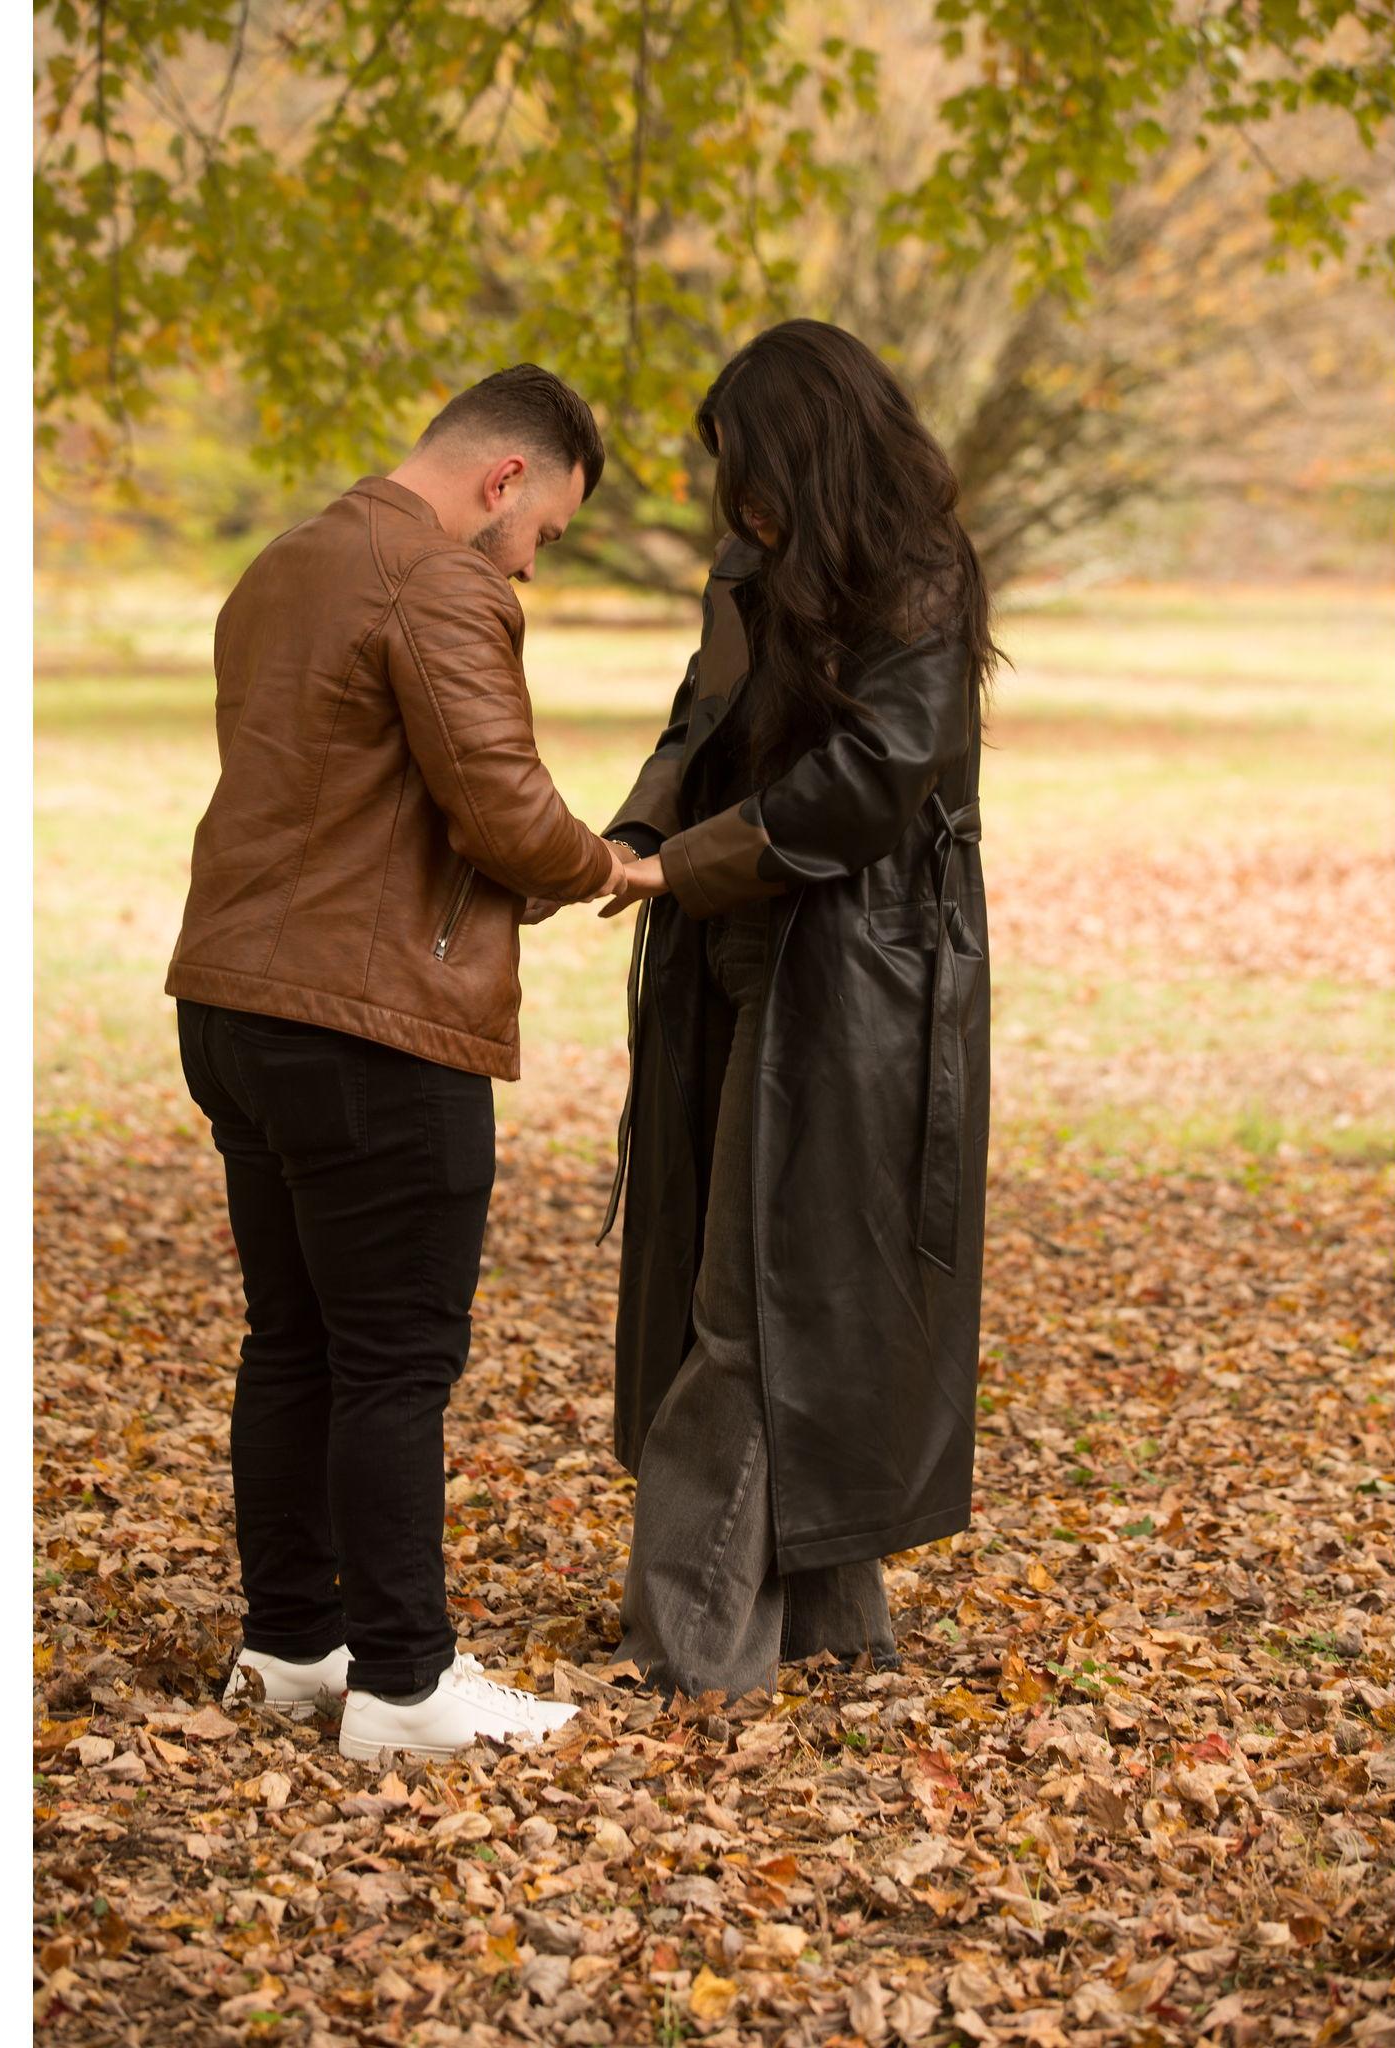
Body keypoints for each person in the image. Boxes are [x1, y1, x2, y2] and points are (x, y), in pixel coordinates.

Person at [164, 366, 647, 1760]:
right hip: (372, 1022)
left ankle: (290, 1649)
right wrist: (607, 868)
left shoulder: (286, 561)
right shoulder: (439, 581)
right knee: (394, 1361)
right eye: (544, 531)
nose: (532, 563)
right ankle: (404, 1685)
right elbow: (500, 804)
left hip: (237, 1006)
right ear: (505, 479)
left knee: (295, 1341)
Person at [592, 319, 998, 1702]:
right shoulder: (757, 567)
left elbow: (873, 778)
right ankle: (828, 1624)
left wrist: (679, 867)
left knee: (763, 1298)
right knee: (768, 1282)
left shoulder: (918, 574)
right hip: (736, 949)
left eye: (753, 472)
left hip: (862, 973)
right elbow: (697, 723)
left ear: (812, 455)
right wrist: (632, 837)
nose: (739, 501)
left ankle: (690, 1651)